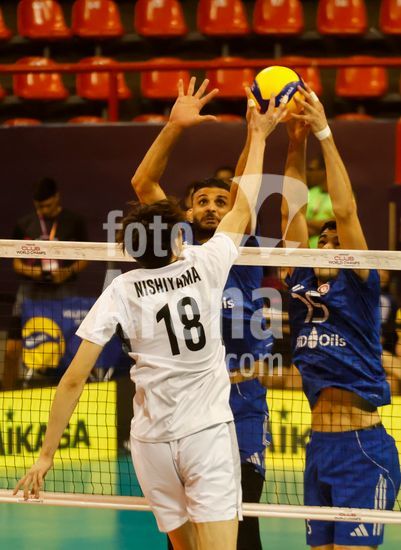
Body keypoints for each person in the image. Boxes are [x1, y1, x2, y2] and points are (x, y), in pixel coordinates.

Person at [14, 80, 287, 550]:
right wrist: (259, 134)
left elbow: (73, 379)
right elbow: (246, 201)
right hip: (206, 432)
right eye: (200, 203)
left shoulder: (122, 288)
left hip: (152, 441)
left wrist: (45, 455)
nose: (210, 209)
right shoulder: (206, 263)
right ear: (181, 231)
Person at [131, 78, 274, 550]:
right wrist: (174, 126)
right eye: (202, 202)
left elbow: (245, 188)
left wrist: (255, 133)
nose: (213, 208)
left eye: (220, 202)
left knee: (243, 526)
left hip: (241, 403)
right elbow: (142, 184)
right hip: (184, 407)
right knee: (184, 534)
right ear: (186, 214)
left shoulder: (239, 250)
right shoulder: (179, 250)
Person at [281, 85, 401, 549]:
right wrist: (295, 142)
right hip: (319, 451)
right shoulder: (299, 284)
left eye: (338, 240)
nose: (330, 244)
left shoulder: (360, 285)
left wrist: (324, 133)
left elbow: (345, 209)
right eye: (323, 239)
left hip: (362, 449)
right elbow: (291, 207)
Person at [3, 178, 88, 390]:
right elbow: (16, 262)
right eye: (39, 207)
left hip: (63, 292)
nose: (43, 210)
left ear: (57, 197)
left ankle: (68, 392)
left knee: (68, 351)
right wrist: (35, 272)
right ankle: (5, 396)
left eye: (47, 205)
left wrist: (67, 272)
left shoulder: (74, 222)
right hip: (30, 293)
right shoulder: (24, 224)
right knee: (11, 348)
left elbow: (86, 257)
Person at [305, 153, 333, 248]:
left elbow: (340, 224)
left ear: (324, 171)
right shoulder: (310, 193)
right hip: (308, 251)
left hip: (330, 252)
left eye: (312, 169)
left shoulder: (341, 194)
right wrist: (326, 226)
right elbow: (296, 224)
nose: (307, 173)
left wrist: (308, 224)